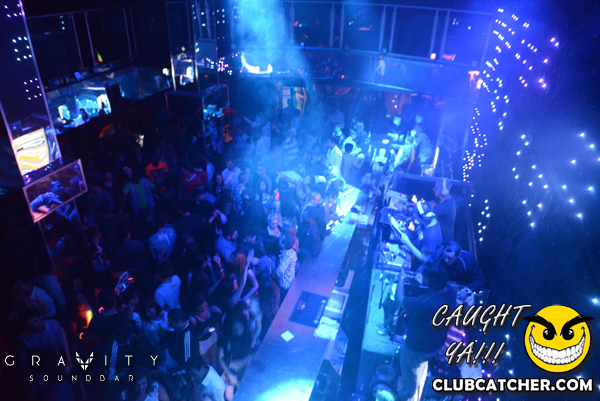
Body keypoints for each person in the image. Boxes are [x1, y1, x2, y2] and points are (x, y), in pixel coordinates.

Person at [394, 263, 455, 401]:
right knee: (420, 369)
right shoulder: (450, 291)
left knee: (409, 380)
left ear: (430, 282)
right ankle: (416, 391)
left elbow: (399, 299)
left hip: (416, 348)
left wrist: (401, 278)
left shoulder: (425, 303)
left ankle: (405, 397)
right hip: (436, 343)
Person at [430, 178, 456, 244]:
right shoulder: (442, 199)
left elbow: (430, 211)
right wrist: (412, 204)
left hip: (443, 239)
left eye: (436, 188)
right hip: (438, 233)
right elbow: (430, 203)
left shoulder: (448, 205)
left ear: (444, 191)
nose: (433, 189)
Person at [276, 233, 299, 300]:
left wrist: (271, 271)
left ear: (283, 244)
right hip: (290, 281)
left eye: (280, 240)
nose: (279, 240)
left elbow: (279, 272)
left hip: (284, 285)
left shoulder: (286, 257)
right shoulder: (292, 251)